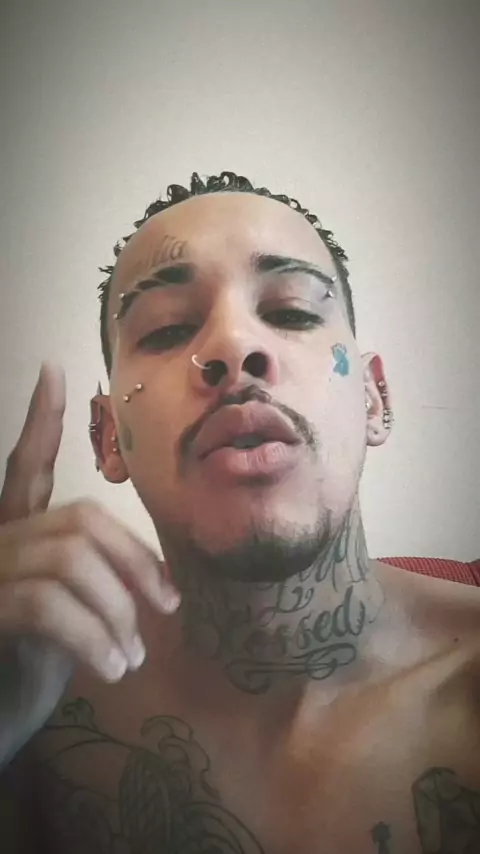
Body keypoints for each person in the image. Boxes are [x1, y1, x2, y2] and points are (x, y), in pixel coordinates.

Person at [0, 171, 479, 854]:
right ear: (107, 438)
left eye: (291, 312)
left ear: (374, 399)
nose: (232, 345)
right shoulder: (32, 704)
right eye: (168, 328)